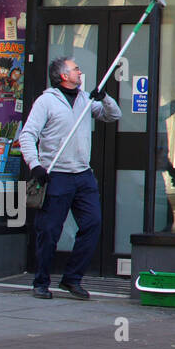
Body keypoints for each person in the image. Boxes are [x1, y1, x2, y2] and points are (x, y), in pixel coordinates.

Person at [19, 56, 121, 300]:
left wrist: (104, 97)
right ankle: (41, 282)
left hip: (83, 175)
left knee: (93, 224)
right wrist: (35, 166)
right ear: (63, 75)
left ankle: (71, 279)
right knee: (49, 231)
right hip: (56, 175)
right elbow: (27, 135)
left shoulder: (86, 100)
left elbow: (113, 115)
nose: (79, 71)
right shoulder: (46, 101)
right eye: (75, 69)